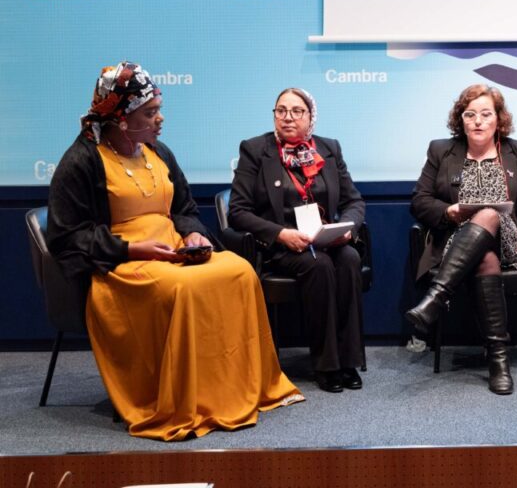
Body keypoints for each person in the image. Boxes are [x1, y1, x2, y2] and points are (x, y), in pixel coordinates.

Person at [46, 62, 303, 441]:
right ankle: (186, 399)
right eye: (150, 113)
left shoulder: (158, 150)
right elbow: (67, 237)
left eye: (158, 110)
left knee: (239, 271)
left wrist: (194, 236)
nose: (160, 119)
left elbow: (183, 209)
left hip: (172, 249)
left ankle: (234, 389)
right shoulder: (81, 162)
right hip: (121, 264)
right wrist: (133, 249)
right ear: (121, 117)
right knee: (182, 288)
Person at [405, 84, 517, 395]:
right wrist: (449, 211)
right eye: (470, 115)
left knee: (488, 214)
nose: (478, 121)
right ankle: (499, 362)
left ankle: (435, 298)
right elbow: (419, 201)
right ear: (461, 119)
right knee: (485, 259)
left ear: (499, 119)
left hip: (509, 239)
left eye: (486, 114)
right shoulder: (441, 151)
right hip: (456, 239)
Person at [229, 88, 366, 394]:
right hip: (283, 245)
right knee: (319, 268)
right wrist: (280, 234)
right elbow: (238, 211)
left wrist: (349, 228)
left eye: (296, 111)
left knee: (350, 260)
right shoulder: (255, 150)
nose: (288, 117)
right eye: (281, 111)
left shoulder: (329, 149)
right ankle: (327, 364)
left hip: (326, 239)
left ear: (310, 116)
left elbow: (353, 200)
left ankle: (349, 361)